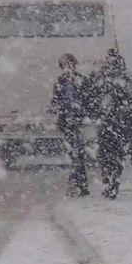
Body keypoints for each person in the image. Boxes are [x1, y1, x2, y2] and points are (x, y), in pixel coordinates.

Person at [87, 48, 132, 199]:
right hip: (124, 125)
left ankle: (114, 184)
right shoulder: (129, 80)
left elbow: (92, 102)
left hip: (115, 125)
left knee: (115, 158)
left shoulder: (103, 81)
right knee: (131, 157)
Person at [50, 54, 91, 197]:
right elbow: (54, 102)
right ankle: (80, 185)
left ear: (74, 65)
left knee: (78, 154)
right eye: (64, 66)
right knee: (76, 154)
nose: (67, 68)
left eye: (69, 65)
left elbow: (90, 101)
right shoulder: (59, 84)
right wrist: (56, 108)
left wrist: (83, 112)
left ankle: (77, 185)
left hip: (81, 124)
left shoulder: (83, 81)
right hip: (68, 124)